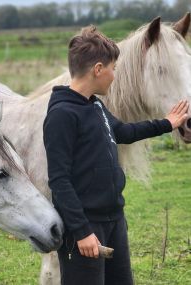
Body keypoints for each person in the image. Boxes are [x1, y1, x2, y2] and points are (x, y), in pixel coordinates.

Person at [43, 25, 189, 285]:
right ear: (98, 69)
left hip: (113, 220)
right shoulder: (62, 115)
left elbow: (123, 132)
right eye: (113, 68)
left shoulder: (94, 105)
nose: (115, 75)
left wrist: (168, 123)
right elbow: (59, 180)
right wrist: (81, 231)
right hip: (87, 230)